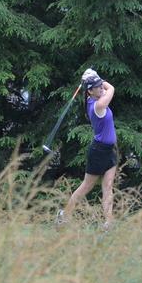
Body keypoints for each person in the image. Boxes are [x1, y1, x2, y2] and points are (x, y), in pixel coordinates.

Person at [57, 68, 117, 229]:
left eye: (100, 85)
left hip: (109, 150)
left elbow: (104, 88)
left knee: (108, 186)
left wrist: (94, 77)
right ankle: (64, 216)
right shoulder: (98, 105)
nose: (101, 88)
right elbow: (111, 88)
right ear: (90, 91)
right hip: (98, 152)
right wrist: (98, 78)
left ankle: (109, 223)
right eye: (97, 87)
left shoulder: (95, 97)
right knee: (86, 186)